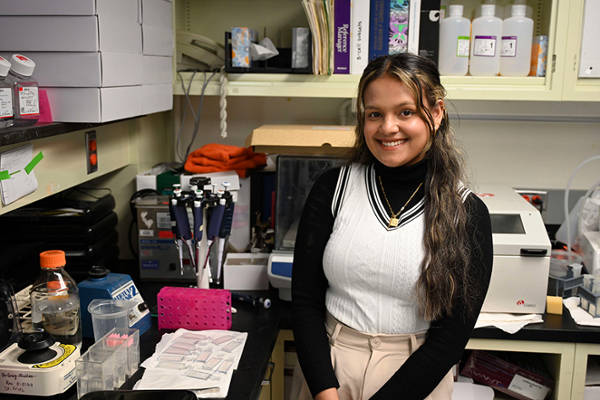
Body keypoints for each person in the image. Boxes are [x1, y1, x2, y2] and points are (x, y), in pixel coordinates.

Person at [290, 52, 494, 400]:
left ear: (437, 112)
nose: (387, 127)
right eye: (374, 114)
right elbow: (305, 301)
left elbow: (450, 339)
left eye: (405, 112)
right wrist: (325, 393)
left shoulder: (467, 213)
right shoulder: (332, 190)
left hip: (415, 382)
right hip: (328, 373)